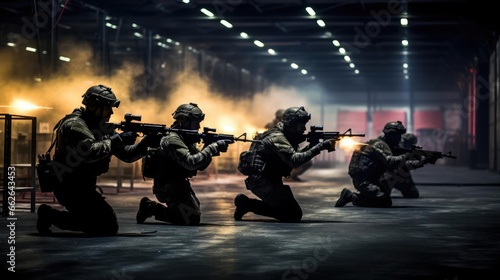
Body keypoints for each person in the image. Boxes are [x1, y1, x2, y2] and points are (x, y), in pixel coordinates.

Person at [36, 84, 160, 236]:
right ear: (95, 106)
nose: (111, 112)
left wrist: (145, 144)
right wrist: (117, 139)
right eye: (108, 107)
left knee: (107, 224)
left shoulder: (100, 127)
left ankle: (52, 215)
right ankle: (49, 215)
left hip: (84, 186)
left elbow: (126, 155)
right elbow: (89, 152)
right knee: (104, 226)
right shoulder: (74, 125)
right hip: (68, 186)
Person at [136, 102, 230, 226]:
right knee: (191, 218)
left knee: (192, 213)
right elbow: (191, 163)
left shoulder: (184, 138)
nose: (198, 127)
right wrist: (212, 148)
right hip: (167, 185)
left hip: (177, 183)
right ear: (185, 121)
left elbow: (200, 165)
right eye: (196, 123)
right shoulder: (172, 139)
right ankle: (150, 208)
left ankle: (152, 208)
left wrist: (208, 146)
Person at [234, 106, 334, 222]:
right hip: (262, 182)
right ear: (292, 123)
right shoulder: (277, 137)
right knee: (292, 214)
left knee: (289, 211)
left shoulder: (281, 134)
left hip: (268, 180)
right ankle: (246, 204)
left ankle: (246, 204)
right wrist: (320, 147)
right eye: (301, 124)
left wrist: (313, 145)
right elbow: (295, 161)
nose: (304, 128)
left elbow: (294, 156)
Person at [335, 121, 434, 208]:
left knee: (386, 192)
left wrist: (422, 162)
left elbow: (400, 165)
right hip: (364, 181)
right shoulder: (381, 145)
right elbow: (390, 162)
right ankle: (351, 197)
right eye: (398, 135)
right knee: (384, 201)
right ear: (392, 135)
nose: (400, 138)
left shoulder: (381, 144)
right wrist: (408, 155)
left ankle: (367, 194)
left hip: (369, 179)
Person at [264, 108, 312, 181]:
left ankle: (292, 175)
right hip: (276, 154)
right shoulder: (272, 128)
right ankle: (289, 176)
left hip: (285, 150)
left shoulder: (287, 127)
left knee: (306, 161)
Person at [384, 133, 420, 198]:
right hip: (387, 176)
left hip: (400, 176)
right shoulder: (390, 148)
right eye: (408, 143)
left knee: (413, 194)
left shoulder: (405, 151)